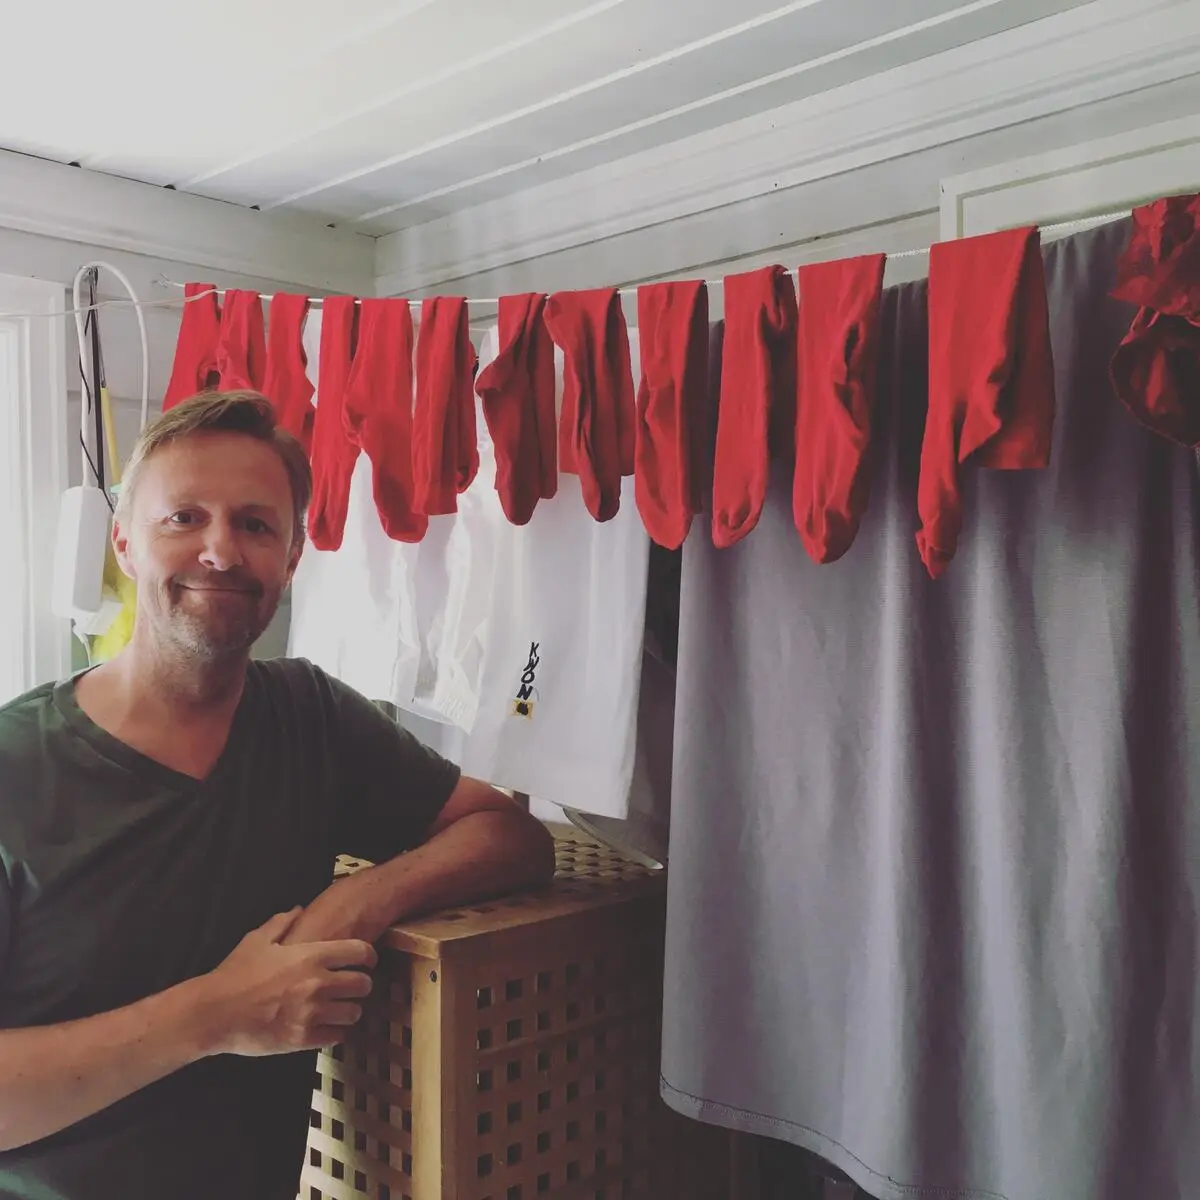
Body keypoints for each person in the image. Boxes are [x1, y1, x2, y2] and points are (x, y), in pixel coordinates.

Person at [0, 391, 557, 1200]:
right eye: (183, 518)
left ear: (292, 558)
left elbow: (510, 835)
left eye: (256, 526)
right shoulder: (15, 767)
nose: (220, 551)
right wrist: (217, 1015)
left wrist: (359, 900)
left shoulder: (309, 718)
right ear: (124, 541)